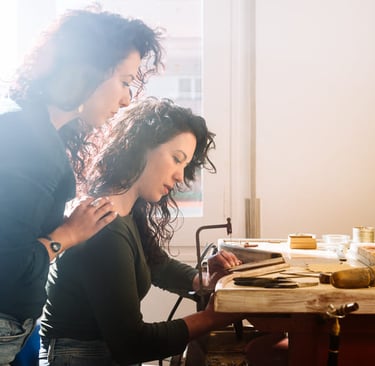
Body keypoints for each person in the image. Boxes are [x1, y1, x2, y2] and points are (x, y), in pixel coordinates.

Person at [0, 7, 163, 364]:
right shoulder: (28, 143)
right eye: (124, 81)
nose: (126, 99)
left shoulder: (34, 132)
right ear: (89, 70)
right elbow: (9, 267)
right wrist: (69, 235)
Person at [39, 97, 244, 366]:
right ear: (139, 149)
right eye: (176, 159)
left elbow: (157, 266)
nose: (180, 176)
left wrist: (204, 279)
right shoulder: (106, 228)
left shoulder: (124, 211)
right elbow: (132, 344)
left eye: (185, 166)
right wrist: (212, 317)